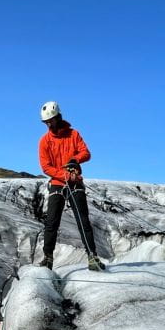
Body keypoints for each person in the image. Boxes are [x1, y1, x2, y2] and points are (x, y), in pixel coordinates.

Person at [37, 100, 106, 271]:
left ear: (58, 117)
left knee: (83, 220)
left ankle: (92, 257)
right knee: (52, 222)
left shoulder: (73, 135)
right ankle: (48, 258)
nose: (49, 124)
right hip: (58, 183)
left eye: (51, 120)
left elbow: (86, 153)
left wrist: (75, 159)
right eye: (46, 122)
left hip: (75, 183)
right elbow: (46, 167)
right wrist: (64, 175)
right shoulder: (44, 141)